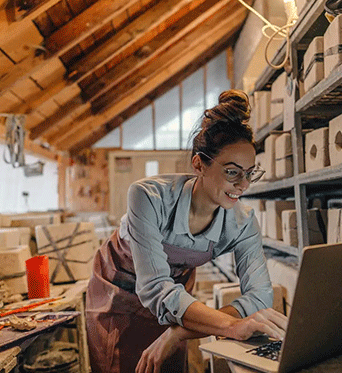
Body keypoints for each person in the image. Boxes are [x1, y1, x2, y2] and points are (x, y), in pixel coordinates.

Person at [85, 89, 288, 373]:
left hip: (176, 296)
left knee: (168, 365)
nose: (244, 185)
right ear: (198, 164)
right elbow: (154, 287)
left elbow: (260, 296)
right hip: (118, 293)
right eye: (232, 171)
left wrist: (180, 331)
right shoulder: (147, 197)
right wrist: (231, 324)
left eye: (250, 172)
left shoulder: (243, 223)